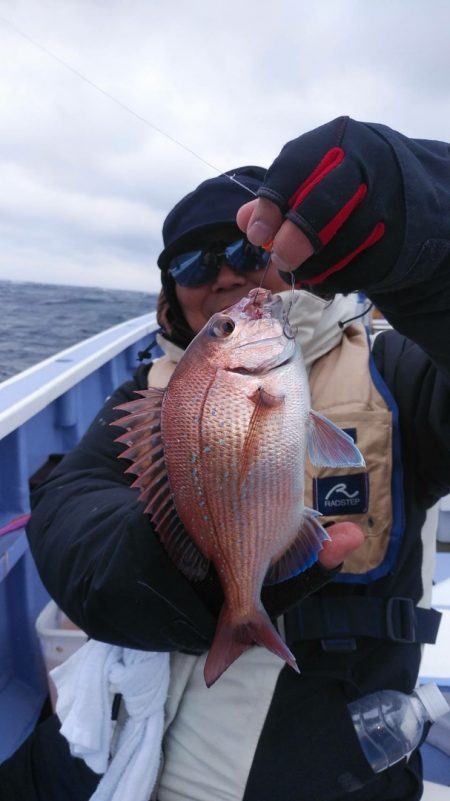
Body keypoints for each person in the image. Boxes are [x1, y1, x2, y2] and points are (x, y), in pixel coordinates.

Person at [0, 115, 448, 801]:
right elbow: (69, 528)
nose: (224, 273)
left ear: (292, 252)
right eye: (191, 262)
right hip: (112, 752)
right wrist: (194, 559)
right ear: (169, 295)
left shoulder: (401, 368)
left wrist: (429, 236)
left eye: (244, 249)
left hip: (320, 763)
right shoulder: (143, 398)